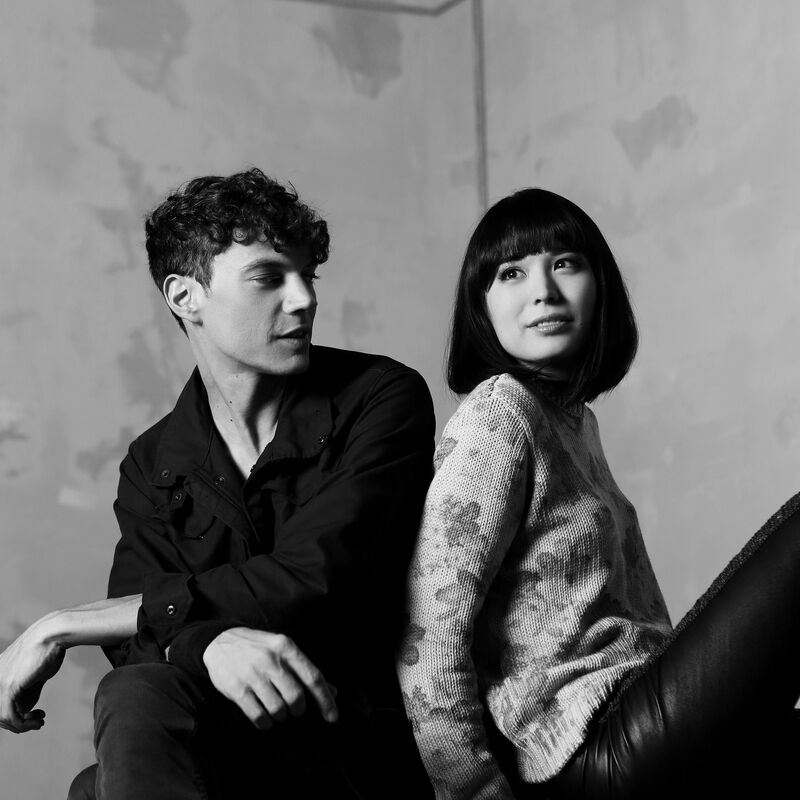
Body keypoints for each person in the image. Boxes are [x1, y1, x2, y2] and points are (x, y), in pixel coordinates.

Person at [0, 168, 436, 799]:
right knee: (113, 742)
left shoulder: (381, 398)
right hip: (225, 750)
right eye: (268, 277)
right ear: (185, 297)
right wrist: (209, 644)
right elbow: (137, 648)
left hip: (349, 747)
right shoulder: (153, 462)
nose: (304, 300)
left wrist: (63, 623)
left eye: (306, 276)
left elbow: (321, 579)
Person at [397, 187, 800, 800]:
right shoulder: (499, 412)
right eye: (512, 273)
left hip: (640, 710)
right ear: (482, 306)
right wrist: (477, 793)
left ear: (598, 282)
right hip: (588, 746)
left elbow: (641, 616)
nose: (544, 291)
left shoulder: (575, 423)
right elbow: (429, 634)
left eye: (564, 263)